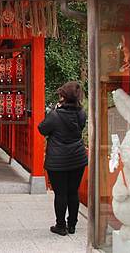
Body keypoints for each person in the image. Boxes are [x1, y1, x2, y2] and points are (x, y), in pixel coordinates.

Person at [38, 81, 88, 236]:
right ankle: (72, 224)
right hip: (77, 157)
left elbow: (42, 128)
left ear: (63, 96)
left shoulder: (55, 115)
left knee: (60, 194)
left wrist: (54, 109)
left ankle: (61, 226)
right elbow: (80, 128)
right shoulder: (81, 113)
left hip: (58, 160)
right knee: (73, 192)